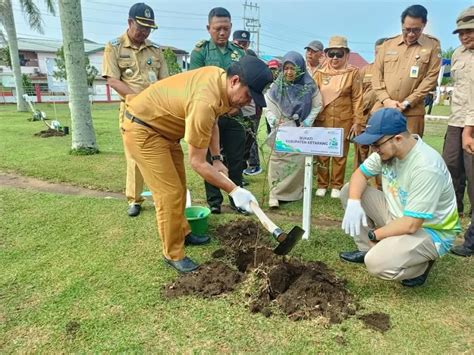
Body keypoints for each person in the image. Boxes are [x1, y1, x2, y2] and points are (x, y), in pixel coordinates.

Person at [121, 56, 273, 272]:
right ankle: (173, 253)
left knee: (179, 187)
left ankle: (182, 231)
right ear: (235, 81)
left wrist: (218, 159)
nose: (248, 102)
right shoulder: (205, 100)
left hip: (165, 133)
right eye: (248, 95)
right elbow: (198, 163)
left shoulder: (218, 79)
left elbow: (212, 123)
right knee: (169, 193)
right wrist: (234, 190)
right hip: (144, 131)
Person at [340, 108, 461, 287]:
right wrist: (353, 203)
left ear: (397, 138)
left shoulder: (426, 167)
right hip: (397, 215)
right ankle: (368, 251)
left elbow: (411, 224)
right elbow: (360, 175)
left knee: (377, 264)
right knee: (349, 191)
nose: (373, 149)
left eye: (376, 144)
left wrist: (375, 234)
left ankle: (421, 265)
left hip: (430, 231)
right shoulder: (386, 152)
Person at [102, 2, 169, 217]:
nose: (144, 32)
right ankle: (135, 199)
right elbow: (112, 79)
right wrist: (136, 99)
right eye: (141, 27)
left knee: (160, 153)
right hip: (132, 111)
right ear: (130, 22)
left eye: (149, 28)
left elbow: (164, 81)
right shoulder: (114, 47)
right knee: (134, 157)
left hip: (156, 112)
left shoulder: (156, 50)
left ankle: (162, 196)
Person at [189, 7, 247, 215]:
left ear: (231, 27)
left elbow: (243, 85)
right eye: (217, 29)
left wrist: (232, 108)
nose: (222, 33)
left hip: (233, 116)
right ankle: (214, 201)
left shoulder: (239, 53)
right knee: (208, 158)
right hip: (208, 114)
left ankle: (236, 198)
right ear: (208, 28)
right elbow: (194, 85)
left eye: (226, 28)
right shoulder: (200, 52)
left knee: (236, 158)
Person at [372, 4, 441, 137]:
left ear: (424, 25)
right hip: (383, 109)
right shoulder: (388, 45)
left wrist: (407, 102)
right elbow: (376, 75)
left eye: (416, 30)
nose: (410, 34)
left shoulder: (432, 46)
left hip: (412, 113)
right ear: (401, 24)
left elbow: (430, 79)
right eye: (406, 29)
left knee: (410, 154)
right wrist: (386, 100)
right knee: (379, 153)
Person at [265, 51, 322, 208]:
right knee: (277, 160)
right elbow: (268, 107)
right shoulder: (277, 86)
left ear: (301, 69)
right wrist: (275, 120)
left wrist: (308, 121)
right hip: (281, 128)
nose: (289, 72)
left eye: (293, 68)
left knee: (298, 162)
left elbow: (318, 104)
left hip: (300, 129)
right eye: (286, 68)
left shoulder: (309, 85)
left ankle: (295, 193)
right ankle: (274, 194)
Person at [312, 36, 363, 199]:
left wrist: (358, 121)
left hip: (344, 119)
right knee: (322, 153)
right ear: (327, 54)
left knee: (340, 154)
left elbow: (357, 98)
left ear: (346, 54)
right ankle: (321, 184)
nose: (335, 58)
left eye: (339, 54)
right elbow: (313, 96)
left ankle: (336, 185)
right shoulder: (319, 73)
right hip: (322, 119)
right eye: (331, 54)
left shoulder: (353, 73)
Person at [447, 6, 474, 257]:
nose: (465, 36)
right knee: (451, 167)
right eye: (461, 32)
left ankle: (472, 239)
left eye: (469, 31)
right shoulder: (457, 54)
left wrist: (469, 129)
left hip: (472, 125)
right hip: (455, 121)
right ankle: (453, 216)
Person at [353, 38, 386, 170]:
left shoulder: (391, 73)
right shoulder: (365, 70)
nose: (379, 55)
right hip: (363, 116)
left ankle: (377, 185)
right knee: (361, 149)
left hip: (380, 118)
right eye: (377, 52)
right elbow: (357, 94)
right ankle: (358, 179)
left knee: (379, 150)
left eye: (382, 52)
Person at [232, 30, 262, 176]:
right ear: (233, 42)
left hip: (249, 108)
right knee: (233, 143)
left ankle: (244, 170)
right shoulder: (230, 57)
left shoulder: (251, 56)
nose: (242, 46)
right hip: (232, 108)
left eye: (244, 43)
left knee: (248, 141)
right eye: (239, 43)